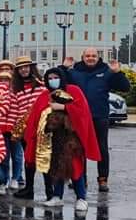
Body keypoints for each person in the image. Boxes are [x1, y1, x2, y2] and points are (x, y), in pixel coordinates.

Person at [24, 67, 100, 202]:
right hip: (52, 140)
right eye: (50, 78)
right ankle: (57, 196)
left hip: (71, 139)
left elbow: (82, 112)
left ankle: (81, 198)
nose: (53, 80)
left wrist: (64, 107)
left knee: (75, 169)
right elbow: (35, 118)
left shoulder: (74, 90)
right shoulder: (44, 96)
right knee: (57, 169)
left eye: (56, 77)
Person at [69, 48, 130, 192]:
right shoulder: (74, 72)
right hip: (79, 118)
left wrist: (117, 73)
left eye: (94, 56)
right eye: (88, 56)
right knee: (78, 149)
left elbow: (125, 87)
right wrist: (63, 68)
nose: (91, 58)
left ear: (98, 57)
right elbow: (58, 83)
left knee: (102, 148)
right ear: (82, 57)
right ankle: (80, 179)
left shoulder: (106, 71)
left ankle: (103, 179)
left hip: (100, 116)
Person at [12, 56, 47, 199]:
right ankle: (29, 188)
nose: (24, 70)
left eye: (26, 67)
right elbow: (16, 109)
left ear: (31, 68)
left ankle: (50, 192)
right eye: (20, 68)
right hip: (25, 129)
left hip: (41, 127)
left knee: (45, 160)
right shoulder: (16, 88)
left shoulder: (42, 85)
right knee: (29, 160)